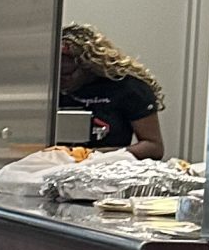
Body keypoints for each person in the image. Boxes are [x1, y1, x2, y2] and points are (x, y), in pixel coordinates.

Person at [58, 23, 168, 158]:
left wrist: (93, 155)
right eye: (55, 74)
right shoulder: (49, 87)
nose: (60, 81)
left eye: (66, 74)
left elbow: (153, 147)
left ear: (87, 64)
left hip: (107, 167)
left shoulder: (128, 88)